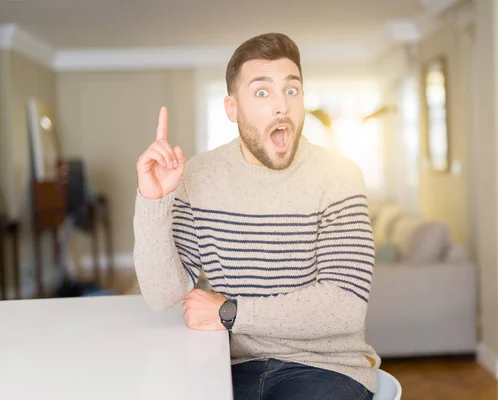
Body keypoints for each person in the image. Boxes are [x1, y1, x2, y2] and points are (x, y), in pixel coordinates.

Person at [133, 32, 380, 400]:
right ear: (232, 109)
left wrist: (231, 313)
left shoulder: (339, 176)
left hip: (325, 367)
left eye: (292, 90)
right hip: (226, 365)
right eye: (262, 92)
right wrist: (154, 200)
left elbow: (343, 307)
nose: (282, 105)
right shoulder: (197, 177)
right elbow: (162, 295)